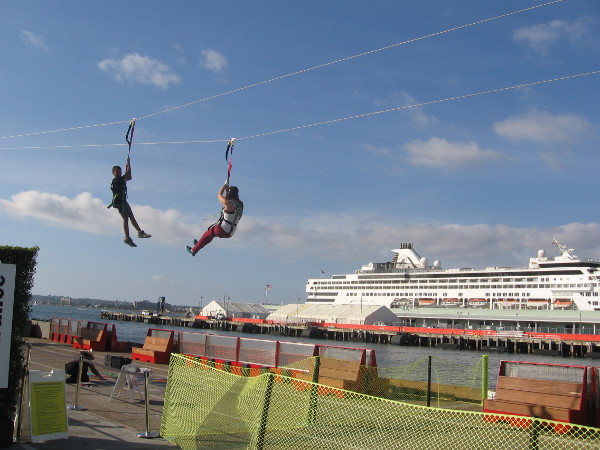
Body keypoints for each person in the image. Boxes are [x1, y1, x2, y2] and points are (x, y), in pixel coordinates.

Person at [186, 181, 243, 256]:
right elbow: (229, 205)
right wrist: (227, 191)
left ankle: (193, 250)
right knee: (210, 233)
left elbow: (219, 195)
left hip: (223, 229)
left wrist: (224, 186)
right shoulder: (240, 204)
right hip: (231, 232)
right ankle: (200, 244)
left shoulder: (228, 203)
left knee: (208, 234)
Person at [108, 157, 151, 247]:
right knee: (127, 218)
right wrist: (128, 164)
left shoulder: (120, 179)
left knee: (129, 217)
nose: (119, 173)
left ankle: (133, 235)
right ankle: (133, 235)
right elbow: (128, 175)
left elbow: (129, 177)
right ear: (113, 173)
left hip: (122, 202)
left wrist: (128, 166)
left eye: (120, 171)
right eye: (117, 172)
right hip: (121, 203)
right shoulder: (117, 180)